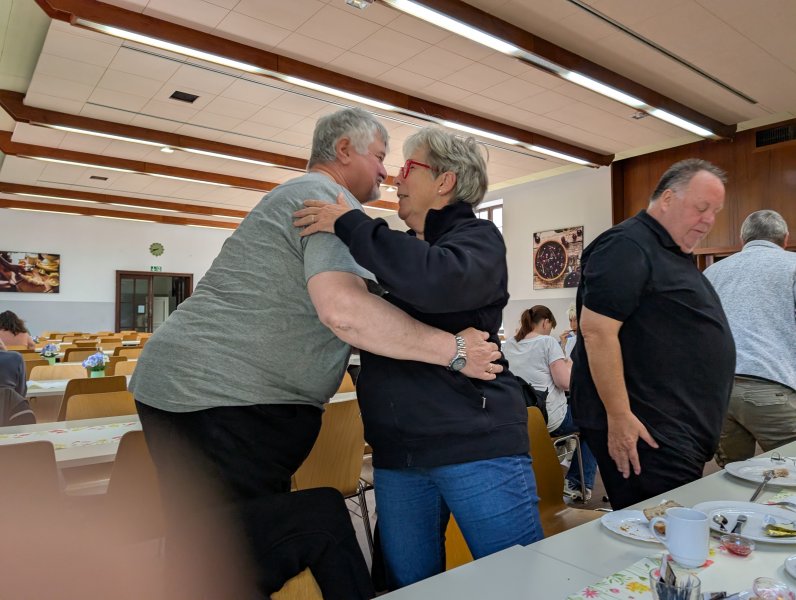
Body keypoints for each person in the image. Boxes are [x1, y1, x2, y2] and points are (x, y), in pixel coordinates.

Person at [129, 108, 501, 599]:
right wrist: (453, 349)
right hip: (221, 397)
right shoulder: (327, 200)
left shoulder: (314, 201)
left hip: (195, 391)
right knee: (260, 539)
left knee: (218, 543)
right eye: (380, 156)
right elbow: (344, 310)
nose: (386, 172)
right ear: (344, 150)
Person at [294, 126, 543, 590]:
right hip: (398, 454)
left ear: (445, 180)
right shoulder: (395, 249)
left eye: (409, 168)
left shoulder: (478, 238)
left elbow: (435, 280)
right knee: (408, 588)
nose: (396, 179)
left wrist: (351, 223)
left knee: (516, 585)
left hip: (476, 447)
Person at [570, 158, 736, 510]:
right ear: (668, 199)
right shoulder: (627, 245)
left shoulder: (669, 252)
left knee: (669, 526)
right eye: (702, 208)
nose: (709, 219)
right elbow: (597, 331)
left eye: (715, 212)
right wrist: (619, 417)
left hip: (671, 429)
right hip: (645, 429)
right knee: (657, 530)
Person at [703, 210, 796, 466]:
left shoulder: (712, 272)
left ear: (743, 239)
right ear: (785, 239)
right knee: (791, 472)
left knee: (733, 473)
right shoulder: (792, 265)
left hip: (719, 391)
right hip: (771, 384)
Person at [503, 305, 597, 501]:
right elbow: (565, 383)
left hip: (520, 418)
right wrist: (570, 364)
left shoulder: (509, 344)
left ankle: (561, 470)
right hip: (549, 419)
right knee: (595, 424)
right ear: (546, 322)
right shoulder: (547, 342)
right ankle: (577, 483)